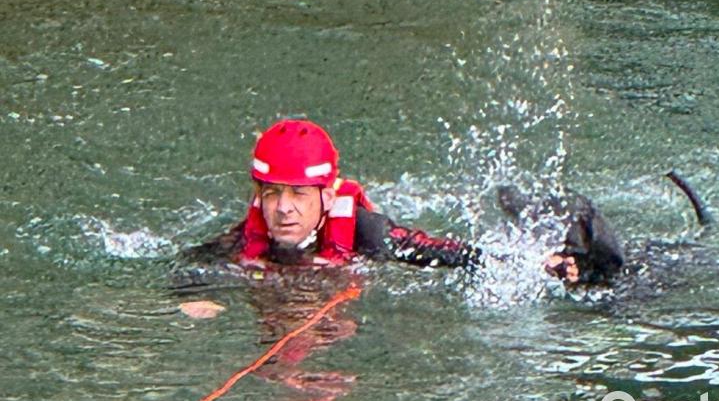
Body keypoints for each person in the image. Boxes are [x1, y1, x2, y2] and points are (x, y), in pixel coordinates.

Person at [186, 118, 624, 284]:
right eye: (273, 194)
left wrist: (530, 265)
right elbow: (189, 265)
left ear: (325, 196)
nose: (284, 208)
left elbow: (447, 253)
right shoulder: (246, 237)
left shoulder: (368, 233)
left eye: (299, 194)